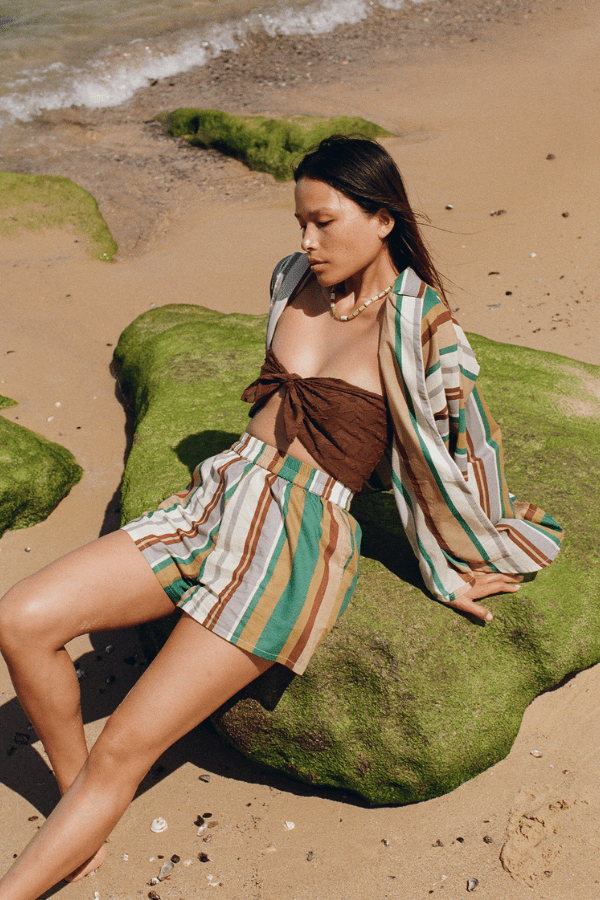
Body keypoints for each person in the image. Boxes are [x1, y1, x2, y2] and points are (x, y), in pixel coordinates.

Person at [0, 135, 562, 899]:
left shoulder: (422, 326)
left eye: (325, 222)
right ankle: (79, 818)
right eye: (300, 221)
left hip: (290, 539)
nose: (307, 240)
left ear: (383, 219)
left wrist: (460, 557)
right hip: (214, 496)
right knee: (21, 619)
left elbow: (463, 443)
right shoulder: (293, 278)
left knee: (123, 747)